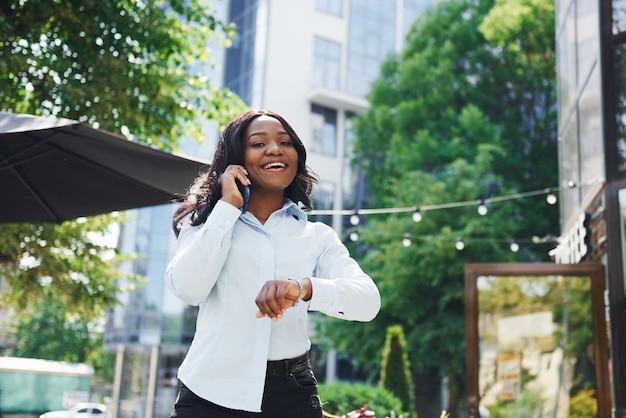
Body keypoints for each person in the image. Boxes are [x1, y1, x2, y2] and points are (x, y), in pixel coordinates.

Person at [165, 109, 381, 418]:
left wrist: (304, 288)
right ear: (237, 159)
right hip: (209, 395)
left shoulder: (317, 236)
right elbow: (187, 289)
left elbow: (368, 301)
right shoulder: (206, 225)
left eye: (284, 142)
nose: (275, 149)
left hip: (292, 396)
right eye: (258, 143)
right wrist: (227, 206)